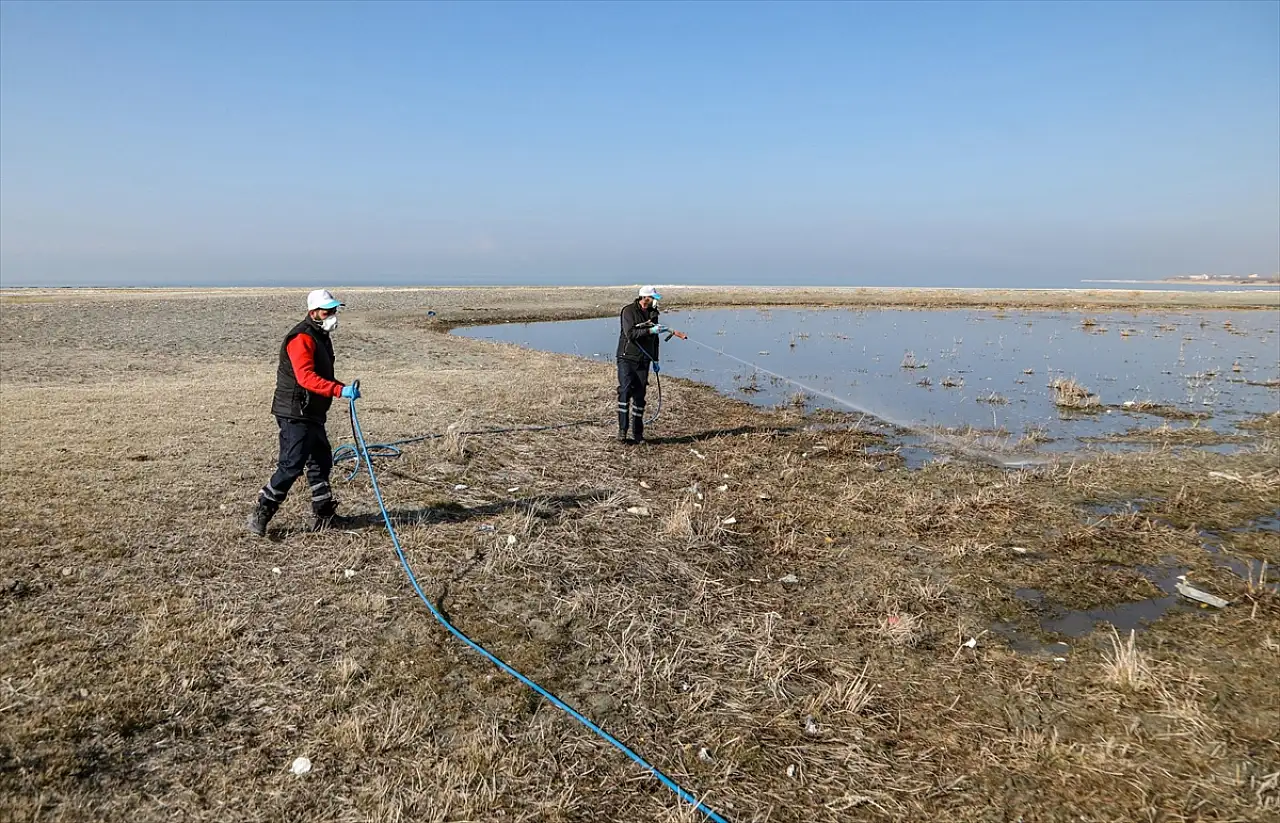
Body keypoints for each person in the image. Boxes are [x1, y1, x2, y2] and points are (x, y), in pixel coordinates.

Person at [247, 289, 362, 536]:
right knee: (291, 465)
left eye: (335, 310)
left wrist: (342, 388)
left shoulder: (320, 335)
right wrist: (339, 391)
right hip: (295, 411)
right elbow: (306, 377)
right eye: (327, 311)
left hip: (311, 411)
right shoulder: (302, 338)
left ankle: (324, 515)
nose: (333, 315)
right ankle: (262, 511)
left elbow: (320, 375)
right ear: (314, 313)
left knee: (321, 460)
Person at [615, 285, 669, 444]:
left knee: (640, 397)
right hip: (626, 358)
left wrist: (655, 359)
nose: (654, 301)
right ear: (645, 298)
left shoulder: (653, 314)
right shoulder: (628, 311)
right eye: (653, 298)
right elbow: (630, 334)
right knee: (624, 392)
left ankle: (638, 435)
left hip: (644, 360)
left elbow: (655, 340)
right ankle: (622, 431)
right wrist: (650, 331)